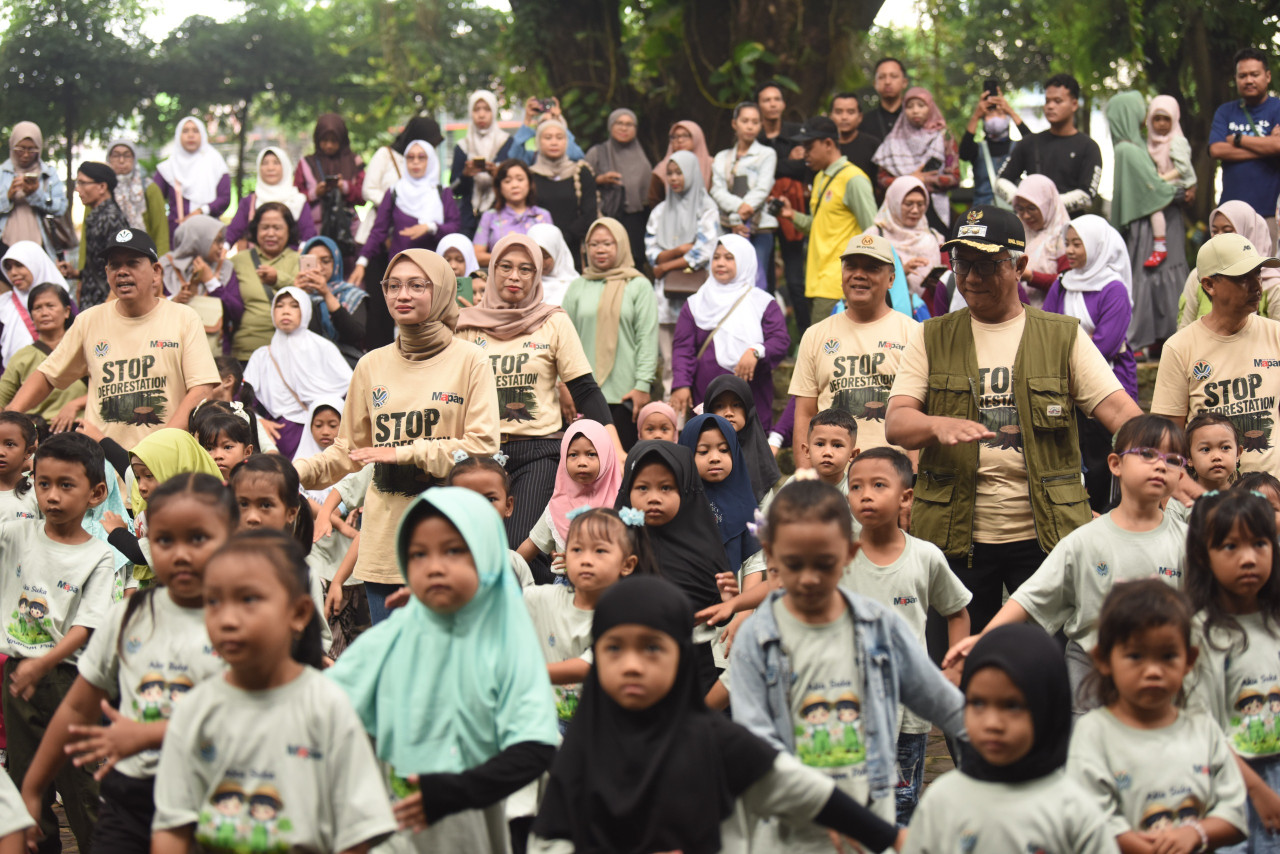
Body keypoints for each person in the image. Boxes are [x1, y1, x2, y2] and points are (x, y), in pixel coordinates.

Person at [886, 205, 1142, 638]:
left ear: (1021, 266)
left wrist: (1165, 462)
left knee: (1046, 662)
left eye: (986, 264)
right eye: (962, 264)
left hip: (1045, 537)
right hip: (955, 536)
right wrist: (935, 426)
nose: (971, 278)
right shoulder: (930, 335)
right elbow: (897, 422)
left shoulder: (1062, 335)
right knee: (959, 664)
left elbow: (1121, 415)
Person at [529, 576, 905, 854]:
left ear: (681, 656)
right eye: (613, 648)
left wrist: (889, 836)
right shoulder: (583, 745)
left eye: (652, 648)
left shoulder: (719, 743)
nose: (631, 665)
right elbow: (550, 838)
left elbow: (807, 793)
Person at [730, 479, 966, 840]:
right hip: (791, 835)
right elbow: (760, 749)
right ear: (771, 555)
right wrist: (841, 817)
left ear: (849, 554)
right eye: (794, 563)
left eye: (824, 563)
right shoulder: (757, 639)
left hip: (871, 821)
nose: (809, 578)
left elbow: (946, 706)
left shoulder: (880, 628)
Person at [328, 487, 559, 852]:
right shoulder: (390, 639)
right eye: (418, 554)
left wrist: (452, 791)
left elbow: (535, 748)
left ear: (486, 556)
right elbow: (322, 711)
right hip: (392, 835)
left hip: (472, 833)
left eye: (453, 550)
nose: (434, 566)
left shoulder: (505, 642)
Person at [20, 473, 233, 853]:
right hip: (131, 794)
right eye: (163, 540)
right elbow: (76, 706)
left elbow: (246, 718)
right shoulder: (130, 616)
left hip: (216, 796)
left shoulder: (244, 622)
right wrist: (33, 790)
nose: (180, 553)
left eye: (198, 538)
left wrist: (148, 735)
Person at [151, 530, 395, 852]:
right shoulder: (194, 710)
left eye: (248, 599)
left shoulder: (328, 707)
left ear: (298, 613)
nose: (227, 619)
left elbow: (358, 832)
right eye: (213, 601)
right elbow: (172, 829)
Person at [294, 248, 499, 624]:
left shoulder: (471, 360)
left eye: (417, 285)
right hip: (383, 549)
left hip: (447, 544)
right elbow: (346, 453)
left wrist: (405, 453)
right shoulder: (371, 365)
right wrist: (295, 473)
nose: (402, 295)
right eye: (394, 285)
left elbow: (482, 447)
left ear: (439, 292)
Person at [944, 414, 1189, 712]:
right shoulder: (1083, 540)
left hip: (1163, 684)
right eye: (1147, 454)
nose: (1161, 465)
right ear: (1115, 464)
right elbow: (1031, 596)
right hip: (1091, 685)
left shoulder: (1188, 542)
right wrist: (983, 638)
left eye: (1173, 459)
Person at [457, 233, 619, 577]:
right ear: (491, 270)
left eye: (526, 269)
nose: (515, 276)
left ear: (538, 275)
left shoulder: (553, 321)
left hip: (538, 452)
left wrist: (616, 448)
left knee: (518, 551)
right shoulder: (467, 325)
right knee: (477, 548)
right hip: (481, 454)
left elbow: (585, 390)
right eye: (505, 267)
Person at [904, 624, 1117, 853]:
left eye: (1012, 706)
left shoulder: (1074, 810)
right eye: (977, 703)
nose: (992, 723)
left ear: (1048, 709)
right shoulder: (942, 801)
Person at [842, 448, 972, 825]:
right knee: (850, 801)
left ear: (906, 496)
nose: (865, 494)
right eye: (856, 487)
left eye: (878, 485)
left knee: (902, 803)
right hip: (849, 706)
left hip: (908, 712)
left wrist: (954, 668)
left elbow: (957, 611)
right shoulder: (839, 558)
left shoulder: (926, 556)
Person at [1067, 581, 1247, 851]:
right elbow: (1085, 816)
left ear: (1189, 659)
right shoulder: (1094, 733)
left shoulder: (1203, 728)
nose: (1153, 670)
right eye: (1136, 655)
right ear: (1103, 659)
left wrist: (1196, 833)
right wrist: (1141, 847)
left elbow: (1235, 811)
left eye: (1167, 656)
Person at [0, 433, 115, 853]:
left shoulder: (99, 556)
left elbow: (86, 627)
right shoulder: (15, 535)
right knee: (26, 780)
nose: (52, 496)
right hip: (18, 677)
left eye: (66, 485)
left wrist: (45, 662)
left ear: (96, 493)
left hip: (70, 680)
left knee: (81, 784)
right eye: (43, 483)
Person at [6, 229, 220, 449]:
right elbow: (47, 376)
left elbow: (202, 388)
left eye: (133, 263)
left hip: (164, 462)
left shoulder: (183, 318)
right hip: (102, 464)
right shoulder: (88, 320)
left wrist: (162, 444)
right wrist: (8, 418)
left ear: (156, 271)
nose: (122, 272)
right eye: (114, 265)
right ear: (107, 272)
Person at [1182, 489, 1280, 848]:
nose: (1249, 559)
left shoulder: (1275, 621)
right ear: (1203, 556)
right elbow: (1201, 727)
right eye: (1230, 547)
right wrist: (1256, 789)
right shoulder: (1201, 632)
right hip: (1228, 779)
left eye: (1259, 543)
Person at [1152, 233, 1280, 478]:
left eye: (1258, 273)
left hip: (1272, 500)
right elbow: (1167, 439)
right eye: (1243, 277)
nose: (1256, 285)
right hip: (1210, 502)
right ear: (1209, 285)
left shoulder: (1276, 335)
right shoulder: (1180, 347)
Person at [790, 234, 918, 466]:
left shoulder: (914, 334)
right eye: (851, 266)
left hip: (892, 476)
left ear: (891, 279)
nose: (859, 274)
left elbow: (919, 415)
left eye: (872, 268)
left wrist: (915, 480)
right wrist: (805, 476)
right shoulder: (815, 335)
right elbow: (804, 415)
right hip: (831, 477)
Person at [615, 441, 729, 691]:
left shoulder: (704, 549)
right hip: (629, 667)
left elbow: (716, 617)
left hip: (693, 672)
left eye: (666, 488)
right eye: (642, 487)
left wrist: (727, 603)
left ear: (686, 491)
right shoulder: (615, 548)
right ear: (627, 490)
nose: (654, 498)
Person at [670, 234, 788, 425]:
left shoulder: (762, 302)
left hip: (751, 396)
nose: (720, 263)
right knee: (708, 447)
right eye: (716, 257)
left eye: (729, 257)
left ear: (744, 260)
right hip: (706, 396)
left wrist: (756, 351)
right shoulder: (696, 303)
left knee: (748, 450)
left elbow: (780, 341)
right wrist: (681, 384)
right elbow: (683, 349)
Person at [562, 218, 658, 448]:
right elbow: (563, 340)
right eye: (593, 244)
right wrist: (562, 385)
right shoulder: (578, 286)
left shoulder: (638, 286)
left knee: (621, 464)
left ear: (622, 244)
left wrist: (643, 384)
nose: (600, 250)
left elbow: (647, 337)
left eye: (607, 243)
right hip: (581, 396)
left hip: (625, 395)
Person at [1108, 90, 1188, 353]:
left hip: (1158, 221)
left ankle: (1160, 337)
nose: (1145, 119)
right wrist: (1182, 190)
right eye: (1139, 112)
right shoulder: (1129, 151)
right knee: (1148, 278)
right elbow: (1151, 188)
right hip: (1148, 226)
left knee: (1159, 277)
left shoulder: (1133, 147)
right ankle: (1144, 338)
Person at [776, 116, 877, 320]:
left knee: (824, 349)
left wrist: (863, 284)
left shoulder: (854, 179)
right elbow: (819, 226)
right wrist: (792, 215)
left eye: (809, 147)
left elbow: (873, 232)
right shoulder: (821, 177)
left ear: (828, 144)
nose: (804, 154)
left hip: (839, 284)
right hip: (815, 282)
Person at [243, 287, 352, 458]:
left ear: (306, 310)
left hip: (324, 433)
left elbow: (349, 389)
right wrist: (259, 422)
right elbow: (246, 399)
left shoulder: (323, 348)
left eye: (294, 306)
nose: (286, 311)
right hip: (282, 433)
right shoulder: (261, 356)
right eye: (279, 306)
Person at [645, 150, 720, 398]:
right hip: (666, 299)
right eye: (670, 173)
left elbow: (704, 252)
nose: (674, 178)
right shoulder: (660, 211)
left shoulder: (707, 208)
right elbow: (651, 252)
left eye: (679, 172)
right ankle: (671, 419)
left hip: (697, 295)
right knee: (669, 362)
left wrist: (666, 265)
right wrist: (680, 249)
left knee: (699, 359)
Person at [1043, 215, 1138, 400]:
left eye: (1077, 245)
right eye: (1067, 243)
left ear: (1097, 246)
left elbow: (1105, 347)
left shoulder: (1114, 289)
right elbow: (1044, 331)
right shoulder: (1062, 284)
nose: (1068, 251)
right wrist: (1084, 338)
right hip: (1065, 385)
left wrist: (1066, 340)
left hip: (1112, 384)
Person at [351, 139, 460, 286]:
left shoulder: (442, 192)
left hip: (434, 269)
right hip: (401, 270)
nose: (415, 162)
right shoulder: (394, 192)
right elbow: (378, 231)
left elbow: (455, 228)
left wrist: (430, 227)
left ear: (431, 160)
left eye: (421, 157)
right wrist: (362, 262)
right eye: (410, 157)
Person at [517, 419, 623, 567]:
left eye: (591, 454)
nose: (582, 462)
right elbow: (531, 545)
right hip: (564, 586)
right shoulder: (558, 505)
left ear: (606, 457)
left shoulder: (620, 505)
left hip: (609, 585)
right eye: (573, 455)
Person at [996, 73, 1103, 215]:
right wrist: (1022, 202)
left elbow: (1087, 195)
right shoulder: (1029, 143)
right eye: (1047, 101)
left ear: (1074, 104)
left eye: (1058, 101)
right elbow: (1001, 181)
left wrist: (1048, 206)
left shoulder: (1089, 147)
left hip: (1070, 231)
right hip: (1031, 232)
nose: (1050, 106)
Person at [1209, 48, 1280, 246]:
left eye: (1254, 74)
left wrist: (1239, 140)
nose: (1248, 80)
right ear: (1236, 78)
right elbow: (1216, 150)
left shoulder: (1277, 108)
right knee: (1226, 272)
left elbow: (1278, 146)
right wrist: (1266, 146)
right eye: (1243, 75)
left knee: (1265, 273)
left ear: (1267, 76)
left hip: (1267, 213)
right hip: (1229, 215)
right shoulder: (1225, 111)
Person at [755, 82, 811, 329]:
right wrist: (787, 163)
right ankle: (767, 338)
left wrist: (770, 166)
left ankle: (805, 339)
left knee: (796, 282)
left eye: (776, 99)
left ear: (783, 104)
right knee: (764, 280)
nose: (772, 104)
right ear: (759, 106)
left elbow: (804, 167)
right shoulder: (753, 136)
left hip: (791, 211)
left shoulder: (795, 132)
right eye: (766, 100)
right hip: (761, 214)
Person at [680, 413, 761, 574]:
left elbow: (755, 565)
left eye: (724, 450)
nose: (715, 458)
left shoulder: (746, 506)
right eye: (703, 451)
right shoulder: (678, 504)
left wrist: (740, 600)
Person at [1179, 200, 1280, 328]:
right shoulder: (1199, 275)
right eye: (1214, 231)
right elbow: (1184, 329)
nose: (1218, 237)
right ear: (1208, 284)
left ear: (1249, 232)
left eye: (1227, 231)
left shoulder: (1273, 286)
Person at [872, 87, 960, 232]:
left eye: (921, 105)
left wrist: (923, 180)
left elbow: (954, 178)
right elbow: (881, 179)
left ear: (930, 108)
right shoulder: (892, 140)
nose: (915, 111)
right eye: (909, 106)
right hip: (900, 209)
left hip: (935, 209)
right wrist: (910, 179)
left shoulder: (944, 137)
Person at [710, 102, 779, 283]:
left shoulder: (767, 154)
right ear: (735, 124)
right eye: (745, 121)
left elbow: (762, 189)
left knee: (756, 280)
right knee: (728, 279)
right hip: (727, 226)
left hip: (759, 227)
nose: (750, 126)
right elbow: (716, 190)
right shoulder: (722, 157)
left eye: (755, 122)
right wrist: (739, 212)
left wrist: (744, 211)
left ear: (761, 125)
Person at [224, 202, 301, 361]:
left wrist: (278, 279)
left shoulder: (299, 260)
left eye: (277, 228)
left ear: (288, 230)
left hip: (291, 353)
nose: (270, 233)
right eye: (265, 228)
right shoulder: (238, 261)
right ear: (256, 230)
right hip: (247, 351)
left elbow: (306, 298)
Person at [0, 282, 84, 427]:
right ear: (31, 315)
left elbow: (108, 389)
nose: (44, 313)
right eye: (38, 308)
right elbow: (3, 400)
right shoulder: (22, 357)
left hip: (80, 431)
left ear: (67, 311)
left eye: (50, 306)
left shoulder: (84, 348)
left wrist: (75, 404)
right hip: (38, 434)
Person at [152, 117, 231, 244]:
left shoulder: (215, 162)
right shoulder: (169, 167)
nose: (190, 135)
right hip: (177, 234)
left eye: (195, 131)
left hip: (209, 232)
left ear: (203, 134)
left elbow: (224, 198)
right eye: (185, 131)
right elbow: (153, 197)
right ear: (178, 135)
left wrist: (201, 211)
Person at [585, 108, 653, 257]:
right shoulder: (597, 153)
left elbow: (649, 195)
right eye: (619, 123)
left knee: (634, 260)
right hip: (606, 217)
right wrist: (599, 180)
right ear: (610, 126)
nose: (624, 128)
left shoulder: (643, 156)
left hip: (637, 221)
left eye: (629, 124)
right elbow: (580, 183)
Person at [529, 119, 597, 265]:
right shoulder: (529, 176)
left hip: (575, 250)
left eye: (559, 137)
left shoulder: (581, 171)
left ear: (566, 142)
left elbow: (590, 213)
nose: (554, 142)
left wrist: (563, 238)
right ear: (538, 142)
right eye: (548, 137)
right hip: (539, 250)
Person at [703, 374, 781, 500]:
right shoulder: (698, 452)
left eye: (737, 405)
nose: (728, 413)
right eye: (719, 406)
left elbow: (765, 511)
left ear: (748, 409)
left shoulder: (759, 456)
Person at [294, 113, 366, 251]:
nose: (329, 145)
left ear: (342, 140)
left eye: (334, 141)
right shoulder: (306, 163)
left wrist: (344, 187)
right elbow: (294, 198)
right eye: (324, 140)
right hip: (315, 231)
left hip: (348, 231)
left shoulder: (354, 161)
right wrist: (315, 193)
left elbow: (363, 196)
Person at [863, 176, 944, 295]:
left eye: (920, 204)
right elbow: (863, 278)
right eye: (908, 203)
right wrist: (901, 273)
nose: (915, 210)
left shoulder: (934, 237)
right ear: (894, 203)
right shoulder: (874, 236)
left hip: (926, 311)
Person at [1144, 95, 1198, 268]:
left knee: (1155, 207)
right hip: (1163, 185)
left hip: (1176, 185)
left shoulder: (1177, 141)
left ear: (1174, 119)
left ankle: (1160, 246)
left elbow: (1182, 169)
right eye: (1156, 119)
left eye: (1166, 119)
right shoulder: (1151, 143)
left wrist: (1160, 180)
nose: (1161, 124)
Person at [1, 121, 67, 260]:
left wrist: (36, 194)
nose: (25, 155)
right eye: (20, 149)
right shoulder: (2, 173)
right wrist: (8, 197)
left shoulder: (48, 174)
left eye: (32, 150)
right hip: (5, 244)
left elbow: (60, 207)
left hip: (41, 245)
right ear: (12, 146)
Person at [224, 147, 315, 248]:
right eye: (265, 163)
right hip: (256, 260)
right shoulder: (250, 202)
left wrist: (301, 252)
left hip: (290, 260)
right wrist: (224, 247)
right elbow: (233, 230)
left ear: (285, 166)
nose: (270, 168)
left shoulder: (298, 200)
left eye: (276, 163)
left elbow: (308, 233)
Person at [296, 235, 367, 365]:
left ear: (336, 262)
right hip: (304, 363)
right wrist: (297, 296)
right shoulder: (296, 292)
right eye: (312, 262)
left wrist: (326, 294)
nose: (318, 268)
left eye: (325, 261)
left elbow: (355, 334)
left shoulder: (351, 294)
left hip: (342, 364)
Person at [68, 161, 130, 308]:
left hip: (106, 305)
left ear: (102, 187)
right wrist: (77, 274)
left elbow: (120, 266)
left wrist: (110, 304)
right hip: (94, 302)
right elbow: (101, 267)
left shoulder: (111, 218)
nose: (77, 189)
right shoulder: (97, 217)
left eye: (83, 183)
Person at [450, 91, 512, 237]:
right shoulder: (462, 146)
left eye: (487, 109)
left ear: (494, 112)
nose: (481, 115)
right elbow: (454, 189)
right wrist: (465, 175)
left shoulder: (507, 142)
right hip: (468, 219)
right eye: (477, 109)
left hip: (501, 216)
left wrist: (498, 174)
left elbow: (515, 181)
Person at [0, 240, 70, 366]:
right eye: (8, 268)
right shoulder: (4, 306)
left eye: (19, 265)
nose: (13, 273)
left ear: (36, 264)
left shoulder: (63, 300)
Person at [473, 159, 552, 265]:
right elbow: (477, 256)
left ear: (529, 183)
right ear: (499, 187)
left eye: (520, 179)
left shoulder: (543, 215)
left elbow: (552, 256)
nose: (515, 185)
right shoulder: (490, 216)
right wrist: (510, 260)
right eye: (507, 181)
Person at [1012, 174, 1072, 306]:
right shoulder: (1016, 231)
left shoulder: (1065, 237)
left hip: (1050, 316)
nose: (1026, 215)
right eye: (1020, 209)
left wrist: (1030, 276)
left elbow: (1069, 283)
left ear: (1048, 204)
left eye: (1032, 208)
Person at [106, 138, 169, 255]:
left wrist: (161, 263)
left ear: (134, 159)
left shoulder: (149, 188)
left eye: (127, 155)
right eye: (116, 155)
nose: (121, 160)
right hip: (109, 258)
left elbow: (161, 230)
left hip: (143, 256)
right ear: (108, 158)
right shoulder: (101, 189)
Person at [960, 90, 1018, 207]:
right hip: (982, 212)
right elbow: (964, 153)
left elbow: (1034, 145)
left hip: (1013, 212)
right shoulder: (978, 149)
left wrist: (1011, 111)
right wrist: (976, 115)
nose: (995, 118)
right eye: (990, 115)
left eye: (1000, 114)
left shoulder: (1018, 148)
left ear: (1008, 118)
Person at [649, 120, 714, 208]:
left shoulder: (712, 166)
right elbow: (654, 200)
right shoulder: (662, 169)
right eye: (675, 137)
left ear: (697, 137)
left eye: (685, 136)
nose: (679, 140)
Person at [831, 92, 882, 182]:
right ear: (830, 116)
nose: (844, 117)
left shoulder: (873, 145)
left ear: (860, 117)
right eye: (838, 112)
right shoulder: (825, 145)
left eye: (850, 112)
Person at [528, 223, 577, 306]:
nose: (541, 263)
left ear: (558, 254)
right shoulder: (519, 285)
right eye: (536, 255)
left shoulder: (574, 287)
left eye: (546, 256)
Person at [864, 58, 910, 143]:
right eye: (881, 77)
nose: (887, 82)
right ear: (875, 84)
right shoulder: (864, 122)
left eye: (894, 76)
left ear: (904, 82)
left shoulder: (915, 118)